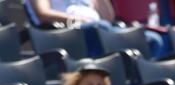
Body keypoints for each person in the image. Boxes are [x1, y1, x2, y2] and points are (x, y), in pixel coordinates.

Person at [26, 0, 165, 57]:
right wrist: (78, 19)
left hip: (100, 29)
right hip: (65, 32)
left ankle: (134, 81)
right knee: (100, 27)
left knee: (153, 39)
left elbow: (108, 17)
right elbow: (43, 14)